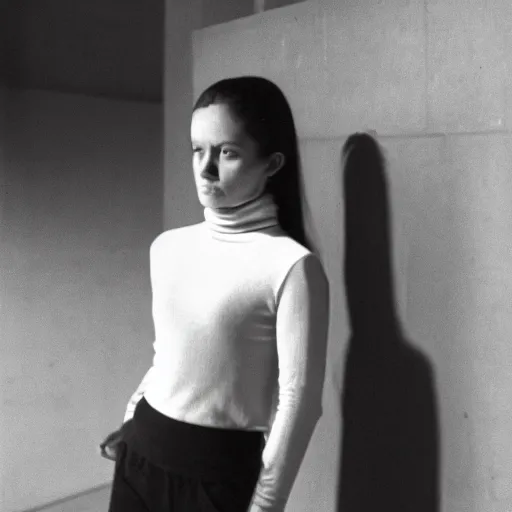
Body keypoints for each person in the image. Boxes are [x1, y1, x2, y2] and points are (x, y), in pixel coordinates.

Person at [100, 76, 330, 512]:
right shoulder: (166, 247)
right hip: (141, 455)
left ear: (272, 163)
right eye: (197, 149)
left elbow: (299, 401)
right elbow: (165, 356)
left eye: (227, 152)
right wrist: (131, 422)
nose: (205, 169)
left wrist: (265, 504)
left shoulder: (292, 267)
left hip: (219, 478)